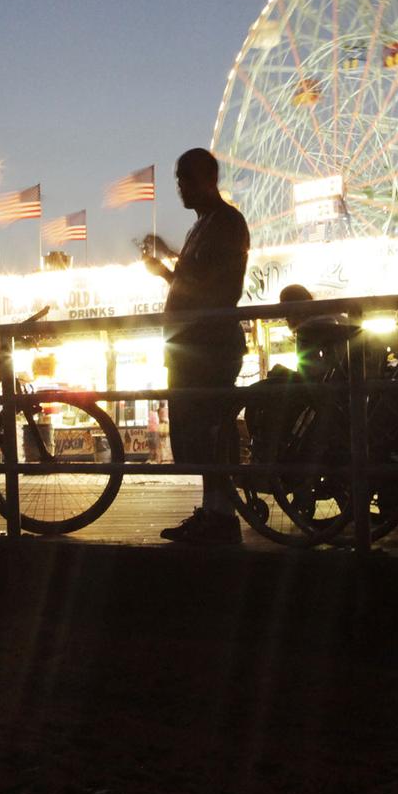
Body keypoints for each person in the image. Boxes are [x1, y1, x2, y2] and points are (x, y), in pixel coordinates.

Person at [145, 148, 250, 545]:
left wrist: (176, 277)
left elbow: (221, 289)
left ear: (209, 179)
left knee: (210, 431)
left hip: (209, 344)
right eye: (178, 179)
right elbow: (194, 284)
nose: (180, 187)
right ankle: (213, 512)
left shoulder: (227, 223)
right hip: (189, 344)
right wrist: (166, 273)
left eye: (186, 178)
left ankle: (221, 517)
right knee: (196, 434)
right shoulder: (201, 227)